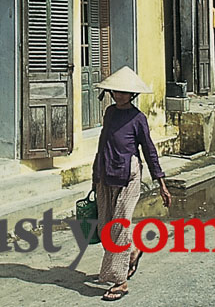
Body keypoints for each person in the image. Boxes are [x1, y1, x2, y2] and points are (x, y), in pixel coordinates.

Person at [91, 66, 171, 302]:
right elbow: (102, 144)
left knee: (118, 227)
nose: (120, 95)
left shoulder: (138, 119)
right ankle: (133, 251)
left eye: (125, 92)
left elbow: (149, 150)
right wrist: (96, 176)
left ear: (132, 94)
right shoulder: (109, 113)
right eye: (117, 91)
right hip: (106, 175)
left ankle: (120, 281)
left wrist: (161, 183)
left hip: (128, 176)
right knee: (105, 228)